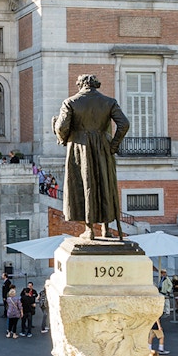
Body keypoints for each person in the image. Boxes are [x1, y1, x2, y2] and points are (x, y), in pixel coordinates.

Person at [52, 73, 129, 238]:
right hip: (103, 147)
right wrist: (113, 145)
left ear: (80, 85)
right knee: (104, 185)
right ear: (96, 85)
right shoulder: (109, 102)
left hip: (79, 148)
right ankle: (106, 230)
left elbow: (62, 127)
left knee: (85, 185)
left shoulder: (70, 102)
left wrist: (58, 131)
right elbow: (124, 124)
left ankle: (89, 230)